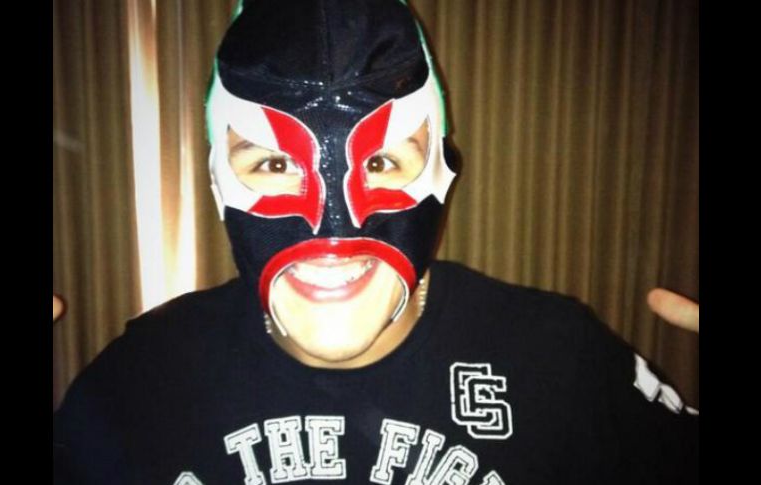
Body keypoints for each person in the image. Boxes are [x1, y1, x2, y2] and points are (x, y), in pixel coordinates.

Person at [53, 1, 698, 483]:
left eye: (381, 161)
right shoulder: (143, 380)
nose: (335, 228)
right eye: (275, 164)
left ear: (443, 173)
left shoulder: (560, 362)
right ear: (220, 182)